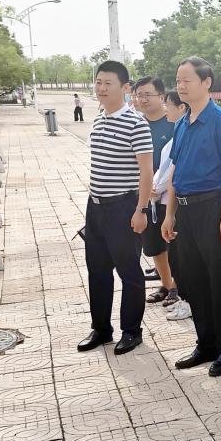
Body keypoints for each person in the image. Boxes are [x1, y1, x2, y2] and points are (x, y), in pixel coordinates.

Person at [162, 57, 221, 377]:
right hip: (185, 211)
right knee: (194, 281)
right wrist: (170, 214)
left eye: (187, 80)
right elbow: (175, 171)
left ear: (206, 82)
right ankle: (206, 343)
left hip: (213, 208)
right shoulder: (182, 122)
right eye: (178, 80)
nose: (181, 86)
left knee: (220, 282)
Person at [78, 60, 154, 356]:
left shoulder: (136, 123)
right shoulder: (98, 119)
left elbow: (146, 172)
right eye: (98, 82)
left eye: (108, 83)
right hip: (96, 207)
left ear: (125, 88)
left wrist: (141, 210)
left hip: (123, 207)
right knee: (97, 270)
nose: (101, 88)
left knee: (129, 271)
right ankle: (101, 329)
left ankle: (132, 331)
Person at [133, 77, 179, 308]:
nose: (142, 99)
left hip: (169, 195)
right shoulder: (135, 124)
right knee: (153, 244)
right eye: (139, 95)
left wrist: (160, 185)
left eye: (147, 95)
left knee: (172, 242)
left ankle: (178, 286)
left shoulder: (173, 123)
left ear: (161, 97)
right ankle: (166, 285)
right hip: (146, 195)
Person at [158, 90, 192, 322]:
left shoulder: (190, 129)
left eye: (168, 104)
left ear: (181, 108)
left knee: (184, 259)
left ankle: (189, 301)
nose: (165, 109)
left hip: (184, 204)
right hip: (170, 201)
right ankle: (185, 299)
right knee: (177, 258)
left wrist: (157, 188)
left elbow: (175, 171)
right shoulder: (179, 129)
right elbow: (169, 172)